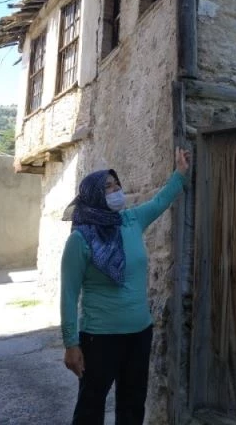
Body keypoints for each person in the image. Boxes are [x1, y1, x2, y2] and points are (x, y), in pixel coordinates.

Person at [60, 147, 191, 425]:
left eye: (117, 184)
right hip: (99, 338)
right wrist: (71, 344)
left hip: (139, 334)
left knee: (132, 406)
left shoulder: (131, 220)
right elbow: (69, 295)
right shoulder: (80, 240)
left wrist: (179, 174)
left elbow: (159, 202)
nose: (116, 189)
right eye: (108, 186)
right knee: (90, 408)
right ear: (94, 194)